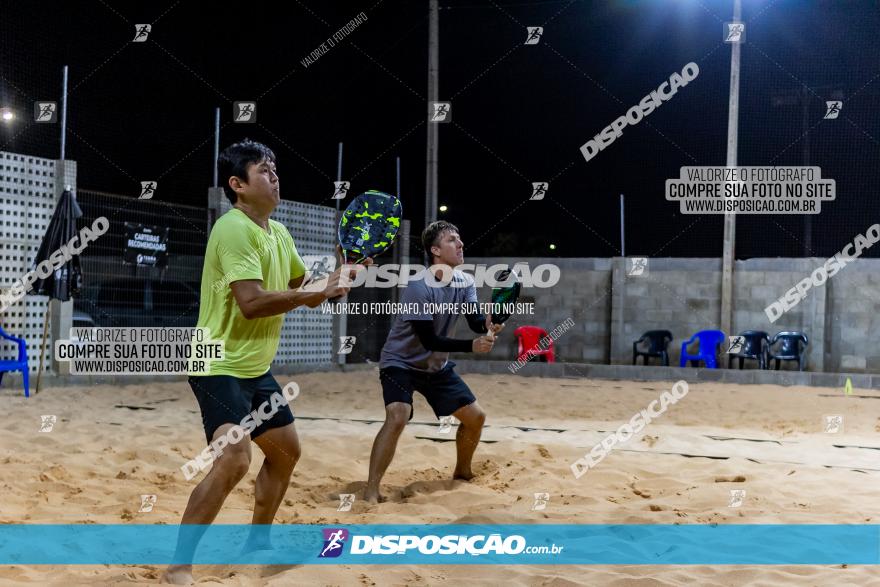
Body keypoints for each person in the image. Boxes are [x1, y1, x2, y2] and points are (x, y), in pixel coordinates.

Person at [162, 139, 361, 584]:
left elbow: (302, 291)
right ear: (237, 184)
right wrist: (315, 291)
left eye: (275, 169)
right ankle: (179, 565)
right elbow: (251, 302)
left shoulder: (278, 231)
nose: (274, 176)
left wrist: (334, 280)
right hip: (216, 362)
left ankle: (257, 540)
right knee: (234, 459)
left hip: (253, 367)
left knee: (286, 451)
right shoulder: (233, 228)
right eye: (264, 171)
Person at [363, 220, 503, 504]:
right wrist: (471, 346)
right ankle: (371, 489)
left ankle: (462, 473)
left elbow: (475, 321)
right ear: (435, 250)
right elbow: (429, 340)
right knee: (398, 415)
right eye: (453, 240)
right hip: (399, 363)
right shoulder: (419, 287)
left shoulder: (464, 282)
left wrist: (487, 323)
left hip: (435, 366)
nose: (461, 244)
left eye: (460, 238)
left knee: (476, 418)